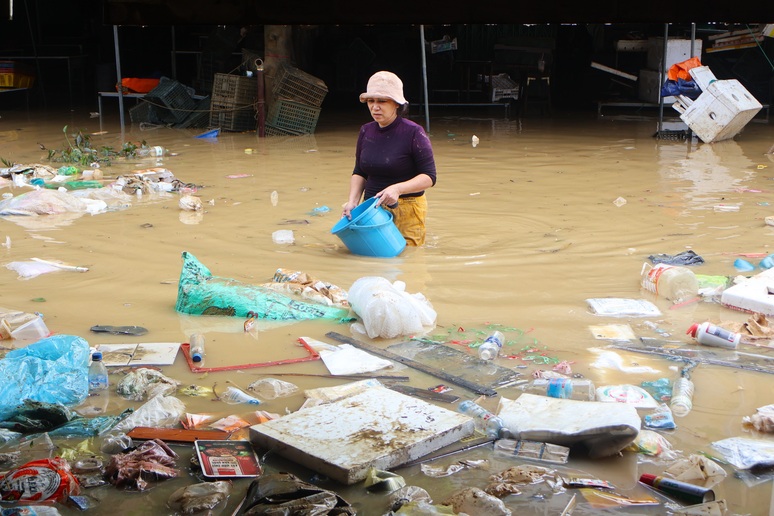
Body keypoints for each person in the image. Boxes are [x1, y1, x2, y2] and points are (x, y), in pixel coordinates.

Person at [342, 71, 437, 246]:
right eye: (371, 101)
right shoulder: (366, 131)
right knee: (373, 262)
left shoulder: (414, 133)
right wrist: (353, 202)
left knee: (407, 262)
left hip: (407, 209)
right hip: (371, 211)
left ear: (397, 104)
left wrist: (397, 189)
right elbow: (360, 171)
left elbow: (429, 177)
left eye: (382, 101)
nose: (375, 107)